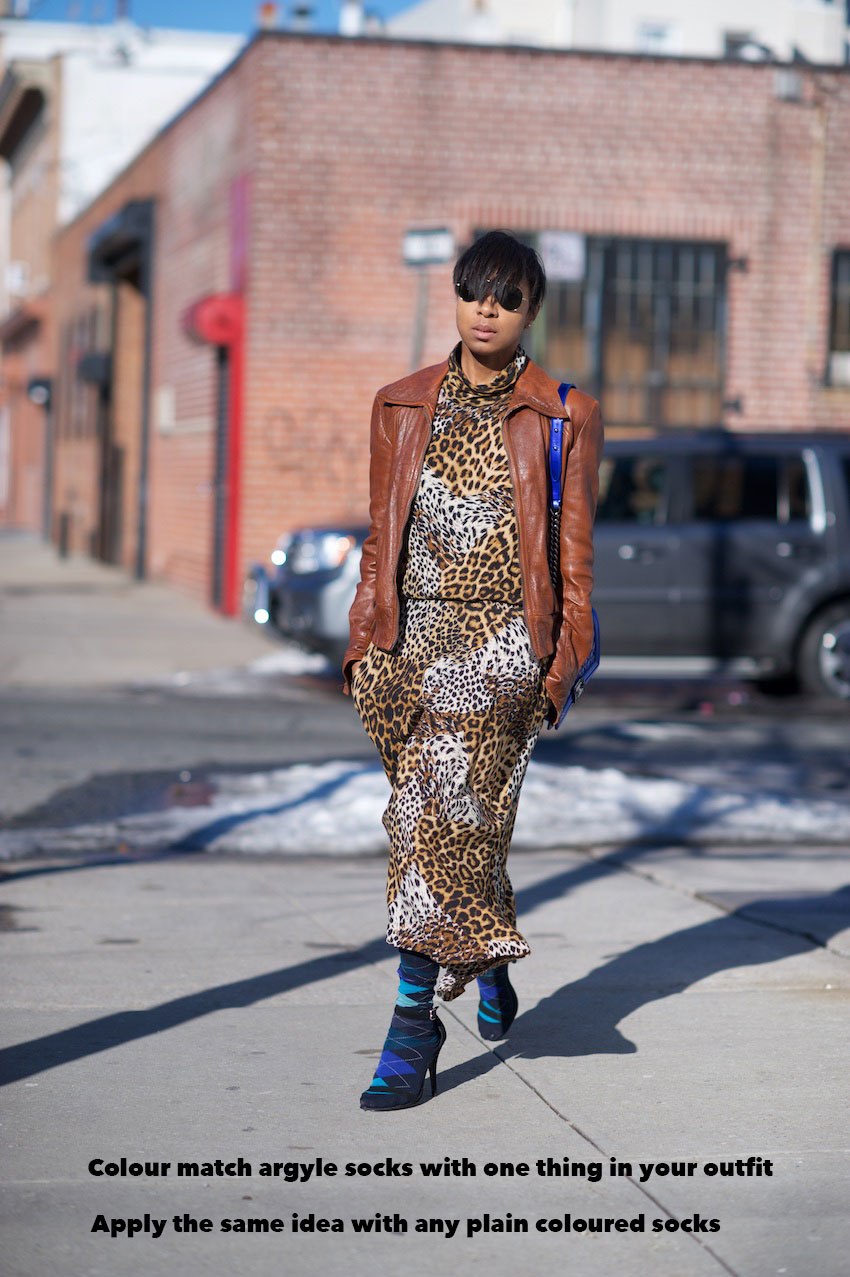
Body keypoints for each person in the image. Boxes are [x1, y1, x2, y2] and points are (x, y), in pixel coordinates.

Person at [342, 230, 603, 1110]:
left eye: (506, 297)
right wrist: (361, 652)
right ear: (454, 299)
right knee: (449, 825)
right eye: (473, 292)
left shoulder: (565, 413)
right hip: (408, 650)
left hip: (500, 652)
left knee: (437, 820)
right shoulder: (401, 404)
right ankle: (489, 957)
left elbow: (574, 559)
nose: (486, 310)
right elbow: (383, 539)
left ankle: (412, 1028)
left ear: (530, 311)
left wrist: (553, 669)